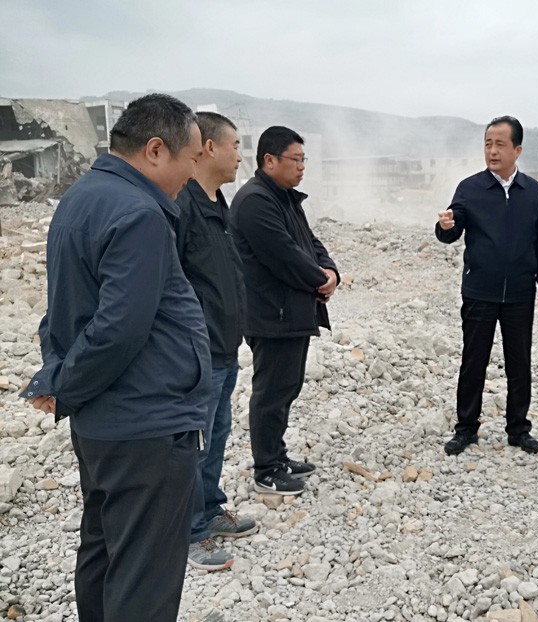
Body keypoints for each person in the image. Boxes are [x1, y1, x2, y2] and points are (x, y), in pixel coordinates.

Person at [19, 93, 210, 621]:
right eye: (191, 159)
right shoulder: (139, 212)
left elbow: (62, 311)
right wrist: (64, 387)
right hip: (146, 423)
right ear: (156, 150)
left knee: (105, 554)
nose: (193, 173)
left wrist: (61, 379)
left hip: (106, 424)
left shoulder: (82, 197)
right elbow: (117, 329)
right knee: (144, 575)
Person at [436, 115, 538, 456]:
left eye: (500, 144)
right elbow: (451, 230)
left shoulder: (533, 192)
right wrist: (445, 226)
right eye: (488, 144)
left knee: (520, 364)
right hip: (479, 291)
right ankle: (465, 429)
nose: (492, 151)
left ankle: (518, 430)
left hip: (519, 293)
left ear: (517, 150)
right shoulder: (470, 188)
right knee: (473, 362)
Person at [230, 126, 339, 495]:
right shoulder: (255, 201)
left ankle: (277, 456)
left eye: (304, 159)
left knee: (286, 387)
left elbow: (310, 243)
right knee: (271, 392)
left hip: (290, 311)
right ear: (269, 160)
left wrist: (330, 271)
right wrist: (320, 280)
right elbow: (284, 255)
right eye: (296, 159)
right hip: (271, 313)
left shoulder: (285, 198)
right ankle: (267, 469)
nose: (302, 166)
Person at [176, 112, 258, 571]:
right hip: (199, 351)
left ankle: (209, 509)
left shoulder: (216, 201)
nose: (239, 155)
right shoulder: (182, 206)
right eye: (235, 145)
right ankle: (190, 533)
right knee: (195, 443)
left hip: (225, 348)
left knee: (218, 434)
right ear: (209, 147)